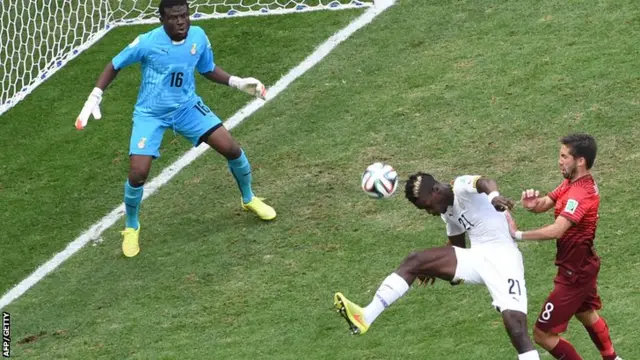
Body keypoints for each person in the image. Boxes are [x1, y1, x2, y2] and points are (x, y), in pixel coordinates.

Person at [75, 0, 276, 257]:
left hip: (187, 108)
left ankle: (249, 199)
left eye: (184, 16)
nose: (180, 21)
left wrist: (236, 82)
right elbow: (115, 64)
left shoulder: (198, 37)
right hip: (151, 114)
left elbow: (207, 68)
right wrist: (95, 95)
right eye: (173, 17)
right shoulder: (147, 42)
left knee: (231, 148)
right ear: (162, 20)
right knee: (138, 173)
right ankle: (131, 226)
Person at [334, 173, 540, 360]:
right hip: (478, 258)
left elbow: (484, 182)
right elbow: (457, 247)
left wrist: (494, 196)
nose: (429, 212)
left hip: (504, 259)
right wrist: (433, 266)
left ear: (435, 191)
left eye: (427, 206)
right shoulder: (447, 212)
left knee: (516, 328)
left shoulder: (460, 186)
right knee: (415, 260)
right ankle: (366, 316)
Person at [512, 133, 622, 360]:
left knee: (542, 334)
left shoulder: (581, 194)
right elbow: (548, 202)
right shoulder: (572, 183)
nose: (559, 161)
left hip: (574, 274)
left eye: (564, 156)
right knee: (586, 313)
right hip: (583, 265)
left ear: (580, 161)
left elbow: (558, 229)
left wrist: (518, 235)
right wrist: (533, 205)